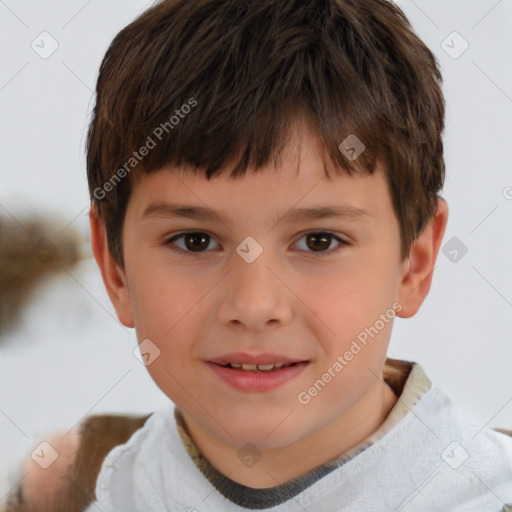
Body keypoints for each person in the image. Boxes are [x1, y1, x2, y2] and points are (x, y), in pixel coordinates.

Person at [4, 0, 512, 510]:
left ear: (415, 262)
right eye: (194, 241)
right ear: (114, 267)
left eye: (319, 241)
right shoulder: (72, 487)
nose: (253, 304)